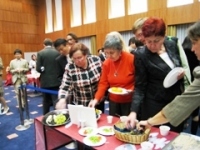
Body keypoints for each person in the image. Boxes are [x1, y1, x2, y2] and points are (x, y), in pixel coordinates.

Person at [126, 17, 186, 133]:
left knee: (174, 136)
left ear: (164, 36)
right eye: (149, 41)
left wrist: (180, 75)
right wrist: (133, 112)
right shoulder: (141, 55)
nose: (152, 45)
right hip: (154, 105)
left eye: (157, 41)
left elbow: (178, 65)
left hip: (174, 102)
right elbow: (140, 86)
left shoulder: (172, 44)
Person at [132, 17, 191, 88]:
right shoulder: (141, 53)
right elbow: (140, 85)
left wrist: (183, 76)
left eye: (140, 34)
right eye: (137, 36)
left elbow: (184, 66)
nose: (140, 38)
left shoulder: (172, 43)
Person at [88, 31, 135, 116]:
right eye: (106, 53)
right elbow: (103, 83)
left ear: (119, 50)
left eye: (112, 53)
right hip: (113, 101)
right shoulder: (107, 63)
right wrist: (96, 99)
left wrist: (131, 90)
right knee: (114, 124)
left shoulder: (131, 59)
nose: (109, 56)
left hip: (130, 101)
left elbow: (139, 81)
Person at [56, 42, 104, 112]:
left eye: (79, 58)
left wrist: (101, 96)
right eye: (74, 58)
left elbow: (103, 80)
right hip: (81, 104)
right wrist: (62, 99)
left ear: (85, 55)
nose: (77, 61)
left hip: (97, 102)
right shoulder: (70, 67)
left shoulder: (96, 60)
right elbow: (65, 86)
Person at [36, 38, 60, 115]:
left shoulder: (40, 53)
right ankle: (58, 116)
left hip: (45, 81)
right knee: (56, 100)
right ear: (52, 44)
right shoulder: (57, 52)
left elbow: (38, 68)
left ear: (44, 44)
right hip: (56, 80)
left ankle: (45, 116)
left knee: (46, 101)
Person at [182, 36, 200, 135]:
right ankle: (193, 134)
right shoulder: (195, 54)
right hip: (195, 82)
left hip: (187, 83)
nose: (193, 48)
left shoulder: (183, 52)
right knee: (195, 114)